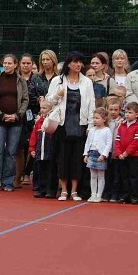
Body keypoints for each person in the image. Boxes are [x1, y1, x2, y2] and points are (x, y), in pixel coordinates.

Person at [46, 51, 95, 201]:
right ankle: (64, 190)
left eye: (80, 62)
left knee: (77, 158)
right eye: (75, 62)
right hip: (62, 124)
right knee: (62, 157)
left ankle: (74, 190)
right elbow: (49, 102)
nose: (78, 65)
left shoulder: (87, 82)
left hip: (80, 124)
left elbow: (92, 103)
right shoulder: (57, 81)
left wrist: (90, 125)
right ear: (68, 64)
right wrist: (57, 95)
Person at [0, 54, 29, 192]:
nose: (7, 65)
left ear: (15, 65)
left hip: (16, 122)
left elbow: (25, 100)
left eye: (10, 63)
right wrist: (2, 115)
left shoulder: (21, 81)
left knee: (11, 152)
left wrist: (17, 115)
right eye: (5, 63)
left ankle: (8, 182)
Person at [83, 107, 113, 203]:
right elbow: (88, 142)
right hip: (92, 153)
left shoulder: (107, 130)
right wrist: (86, 154)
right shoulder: (92, 130)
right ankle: (93, 194)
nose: (95, 120)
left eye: (97, 118)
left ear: (104, 119)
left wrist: (104, 155)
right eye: (94, 118)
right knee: (93, 175)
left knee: (100, 175)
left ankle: (99, 195)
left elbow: (109, 144)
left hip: (100, 154)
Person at [16, 53, 36, 187]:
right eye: (23, 63)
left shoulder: (36, 79)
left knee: (32, 146)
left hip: (33, 114)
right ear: (19, 64)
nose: (26, 65)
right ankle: (18, 176)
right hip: (18, 116)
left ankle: (27, 173)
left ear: (32, 64)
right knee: (19, 147)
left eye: (28, 63)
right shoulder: (15, 78)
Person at [29, 101, 56, 198]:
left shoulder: (52, 122)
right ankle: (41, 188)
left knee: (50, 170)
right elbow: (34, 136)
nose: (42, 110)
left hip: (49, 150)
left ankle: (50, 190)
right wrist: (32, 148)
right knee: (40, 170)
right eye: (41, 108)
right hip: (40, 150)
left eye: (44, 108)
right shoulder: (39, 122)